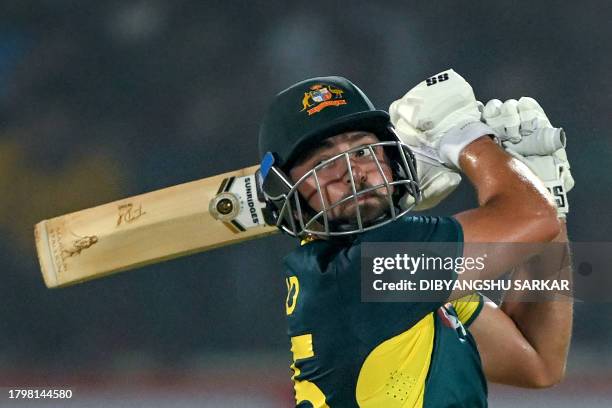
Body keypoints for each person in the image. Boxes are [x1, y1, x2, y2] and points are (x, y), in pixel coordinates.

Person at [257, 70, 573, 407]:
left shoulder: (385, 274)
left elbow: (538, 362)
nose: (353, 172)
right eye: (323, 163)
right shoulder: (372, 267)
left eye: (363, 151)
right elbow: (535, 218)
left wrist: (541, 188)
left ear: (392, 160)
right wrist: (467, 138)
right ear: (284, 191)